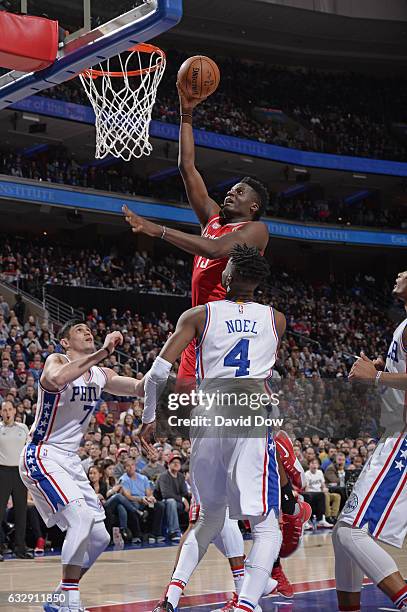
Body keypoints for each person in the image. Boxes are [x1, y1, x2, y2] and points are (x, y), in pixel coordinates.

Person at [142, 245, 286, 612]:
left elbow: (158, 372)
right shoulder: (277, 320)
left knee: (209, 518)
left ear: (227, 276)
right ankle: (247, 604)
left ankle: (171, 597)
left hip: (208, 415)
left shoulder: (198, 314)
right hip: (251, 412)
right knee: (266, 523)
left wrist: (148, 418)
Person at [18, 320, 144, 612]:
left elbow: (138, 387)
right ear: (65, 342)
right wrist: (103, 351)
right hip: (42, 453)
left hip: (70, 461)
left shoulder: (100, 373)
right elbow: (57, 378)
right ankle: (71, 604)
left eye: (89, 329)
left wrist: (170, 372)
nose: (87, 331)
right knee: (81, 521)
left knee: (99, 537)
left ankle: (61, 596)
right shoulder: (56, 360)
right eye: (79, 330)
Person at [333, 270, 407, 612]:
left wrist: (376, 375)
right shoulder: (403, 326)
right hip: (393, 435)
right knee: (341, 535)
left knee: (351, 532)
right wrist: (384, 366)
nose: (399, 273)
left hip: (402, 439)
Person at [0, 400, 32, 560]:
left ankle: (20, 548)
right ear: (1, 412)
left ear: (14, 412)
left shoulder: (23, 428)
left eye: (9, 409)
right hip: (2, 471)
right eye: (4, 410)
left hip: (19, 473)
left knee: (21, 512)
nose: (7, 412)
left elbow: (29, 449)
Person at [155, 455, 189, 543]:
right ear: (169, 464)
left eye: (178, 462)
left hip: (177, 503)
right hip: (162, 503)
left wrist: (186, 498)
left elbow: (184, 492)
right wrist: (182, 499)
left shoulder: (181, 476)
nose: (176, 464)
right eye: (174, 462)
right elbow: (165, 494)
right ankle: (174, 532)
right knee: (171, 501)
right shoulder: (163, 476)